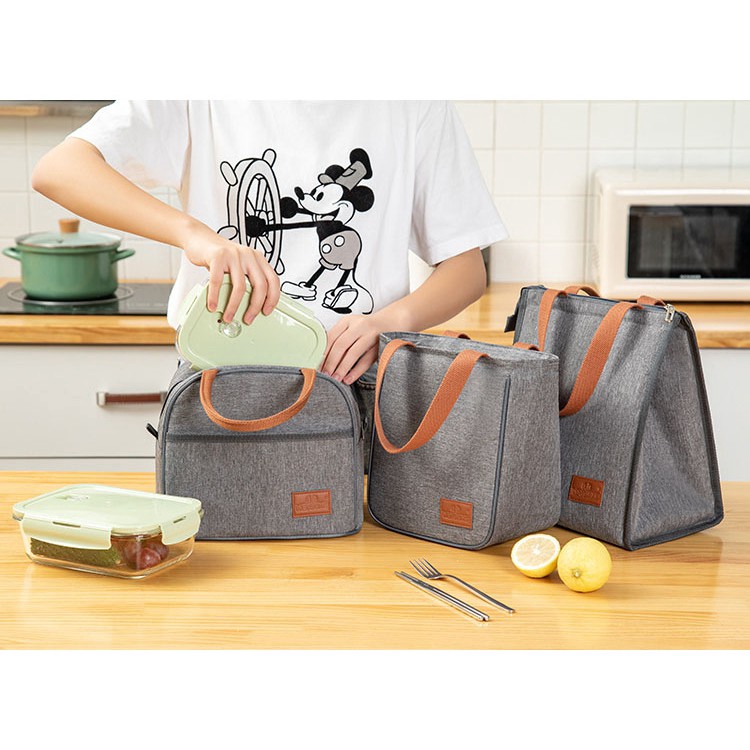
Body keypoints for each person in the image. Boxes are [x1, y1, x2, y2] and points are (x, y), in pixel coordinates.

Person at [31, 100, 507, 385]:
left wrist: (388, 322)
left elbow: (466, 270)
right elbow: (59, 169)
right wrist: (196, 236)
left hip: (357, 380)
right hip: (219, 372)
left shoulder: (416, 102)